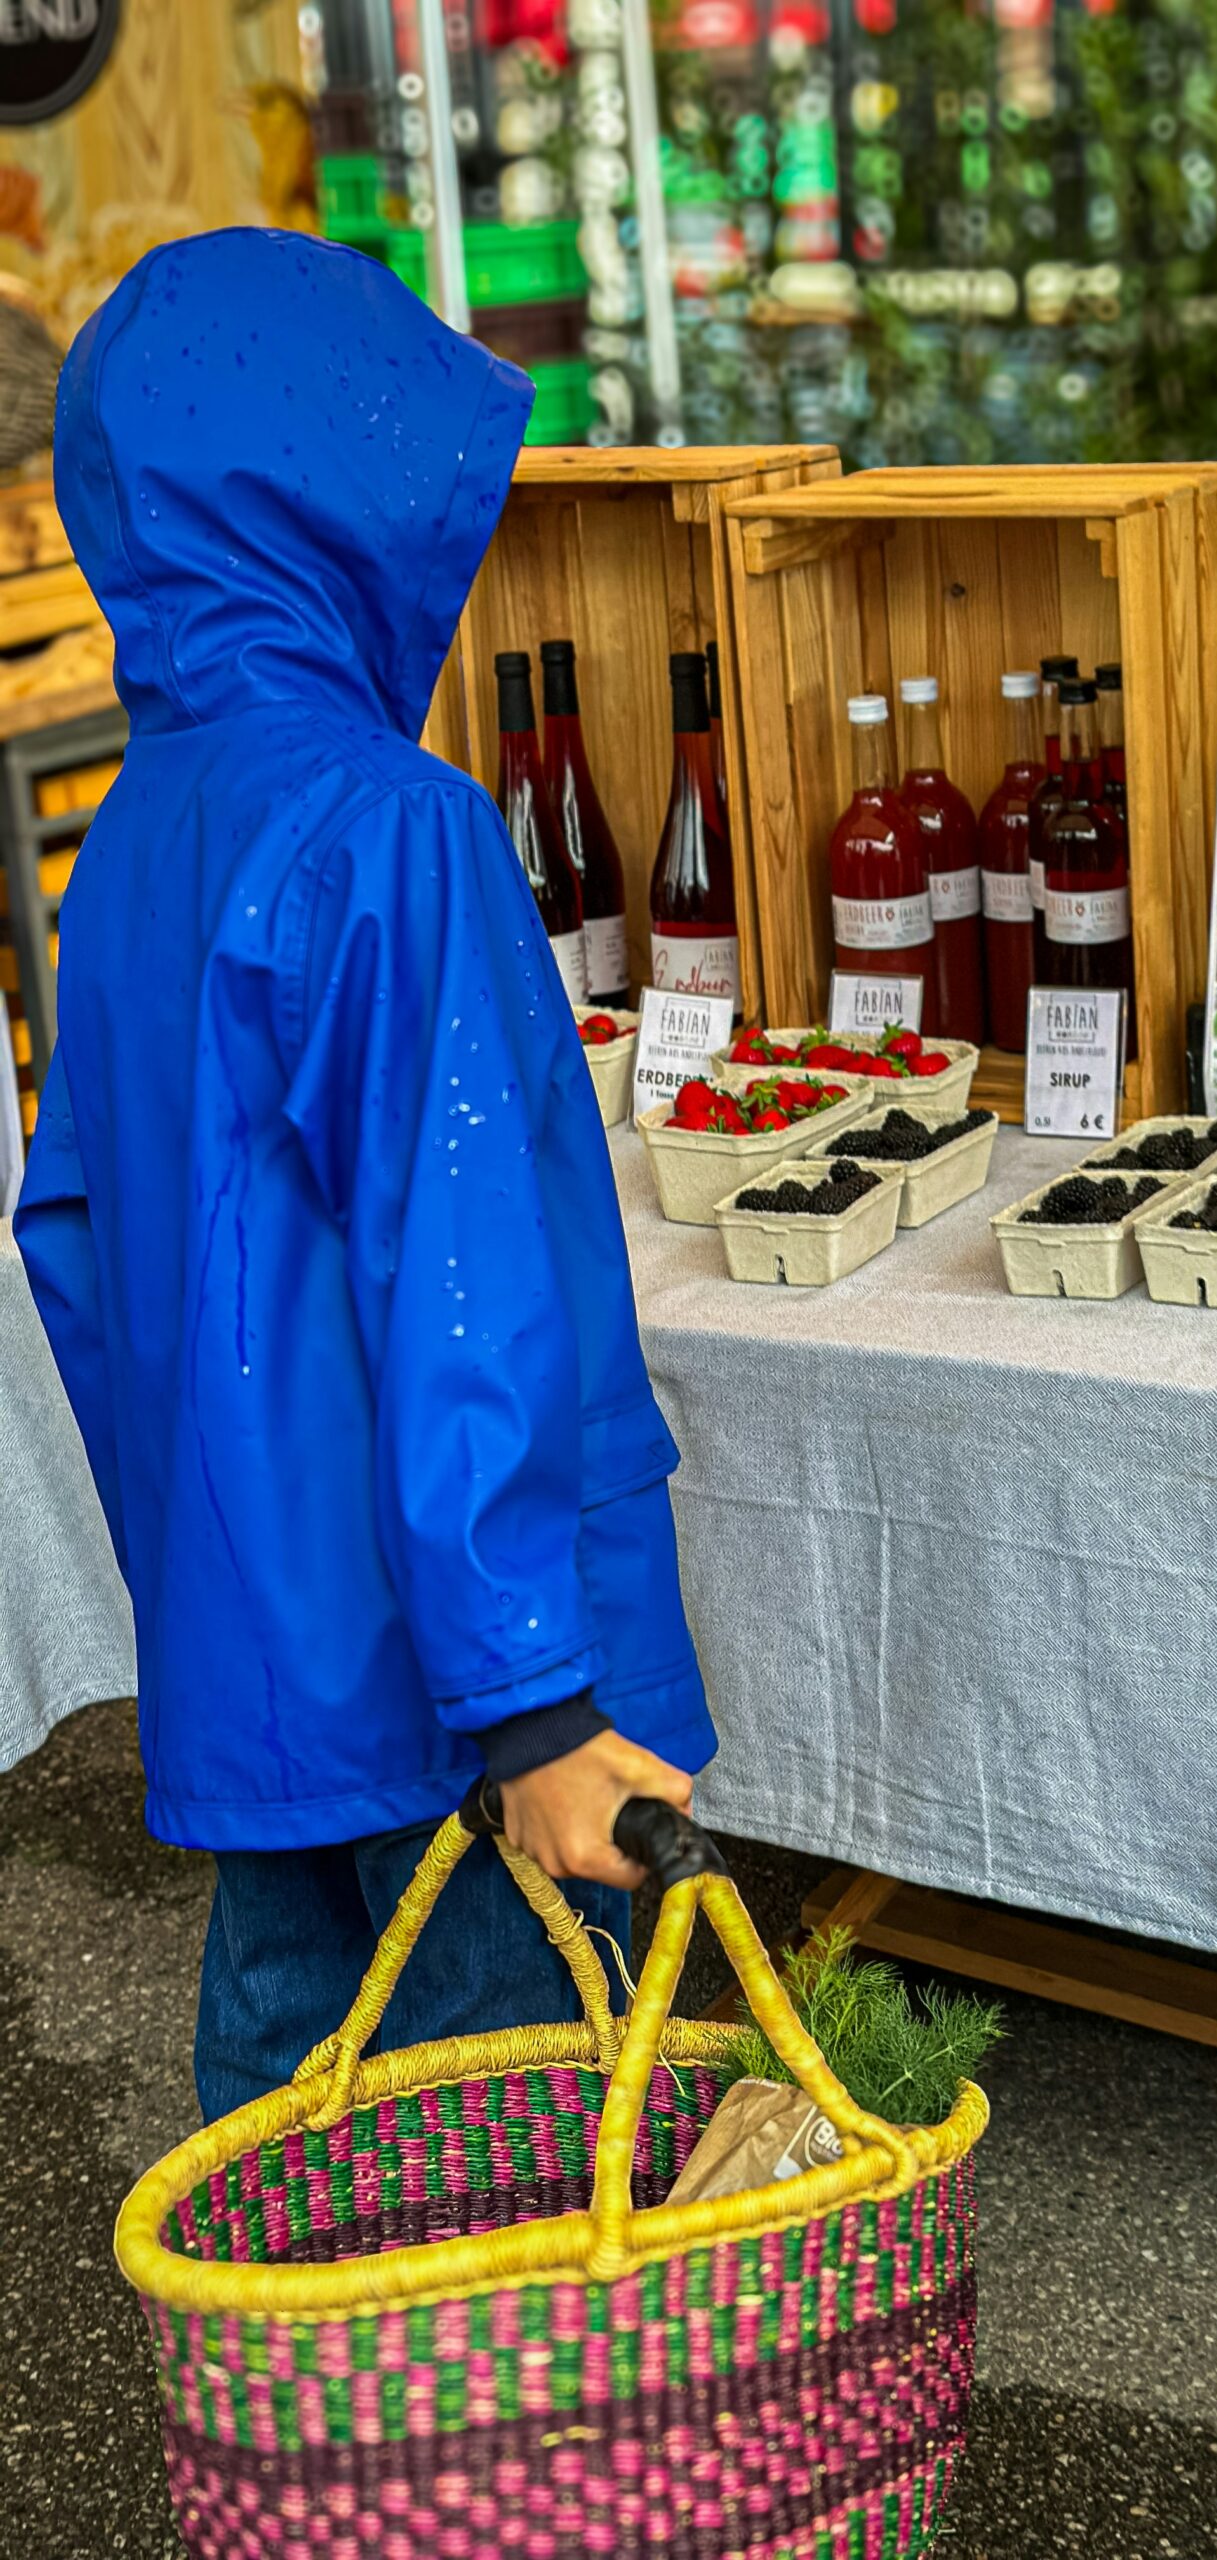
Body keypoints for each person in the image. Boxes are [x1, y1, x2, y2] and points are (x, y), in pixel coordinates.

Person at [14, 231, 715, 2123]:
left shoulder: (141, 834)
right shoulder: (388, 826)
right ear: (339, 497)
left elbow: (74, 1244)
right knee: (529, 2196)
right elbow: (465, 1294)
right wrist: (540, 1705)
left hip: (256, 1654)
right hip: (457, 1692)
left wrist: (218, 1564)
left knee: (293, 2161)